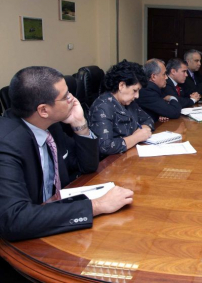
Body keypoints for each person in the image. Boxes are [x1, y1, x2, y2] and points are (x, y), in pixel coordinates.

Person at [0, 66, 133, 241]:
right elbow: (15, 219)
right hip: (23, 242)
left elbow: (87, 166)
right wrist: (97, 205)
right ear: (43, 110)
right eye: (66, 97)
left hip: (55, 220)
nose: (73, 100)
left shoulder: (50, 125)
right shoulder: (7, 144)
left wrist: (80, 124)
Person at [89, 60, 154, 156]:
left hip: (129, 155)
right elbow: (104, 146)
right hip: (110, 164)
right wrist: (136, 137)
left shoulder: (129, 102)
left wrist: (143, 130)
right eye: (135, 90)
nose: (137, 96)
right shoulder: (102, 107)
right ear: (121, 85)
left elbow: (148, 119)